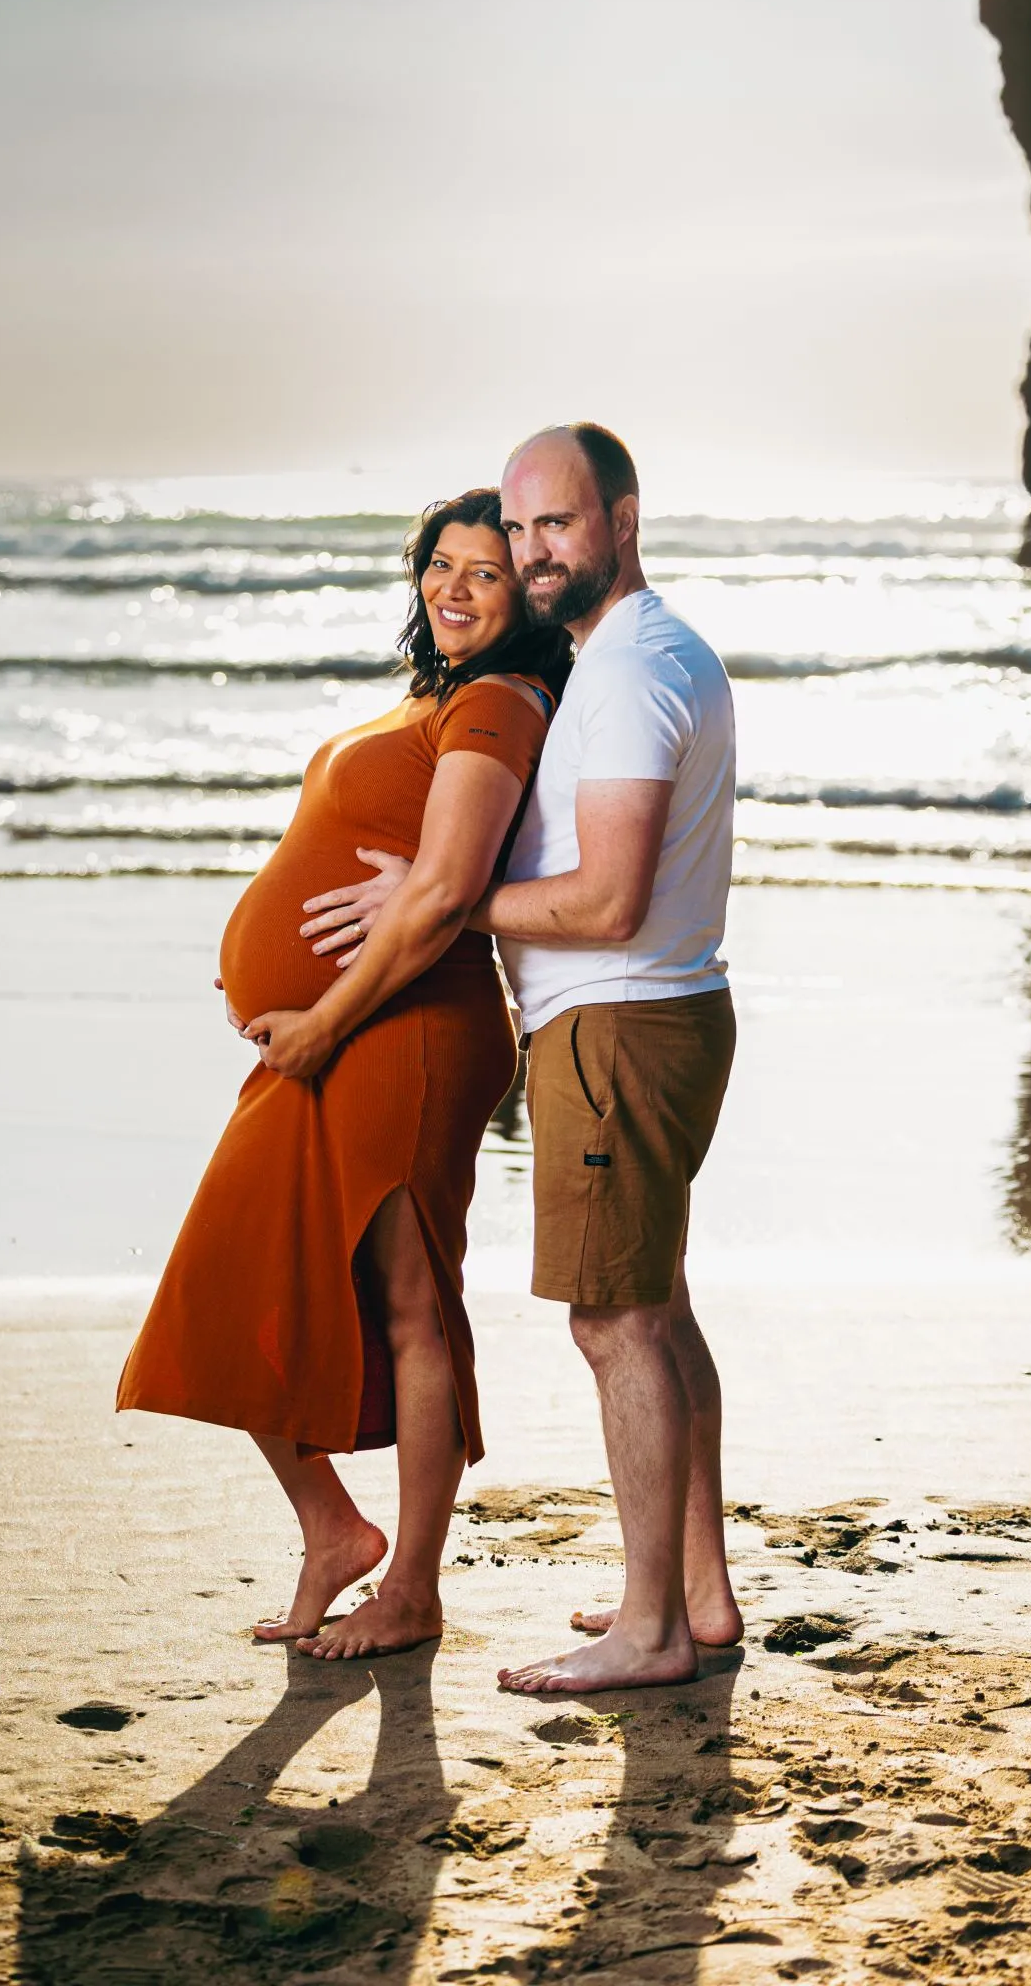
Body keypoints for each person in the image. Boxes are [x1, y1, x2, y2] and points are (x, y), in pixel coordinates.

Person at [299, 424, 739, 1692]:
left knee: (614, 1323)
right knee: (657, 1308)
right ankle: (695, 1595)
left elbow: (604, 901)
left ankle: (651, 1627)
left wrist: (440, 901)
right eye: (526, 529)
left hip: (615, 1022)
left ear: (624, 518)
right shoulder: (644, 655)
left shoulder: (631, 671)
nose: (540, 552)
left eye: (561, 525)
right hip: (654, 1014)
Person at [116, 488, 572, 1662]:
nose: (455, 587)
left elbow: (440, 896)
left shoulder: (498, 702)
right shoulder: (433, 697)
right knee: (232, 1271)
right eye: (441, 563)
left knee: (414, 1306)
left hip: (404, 1032)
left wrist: (321, 1017)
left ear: (528, 592)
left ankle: (412, 1588)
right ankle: (333, 1526)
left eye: (486, 570)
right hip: (339, 1027)